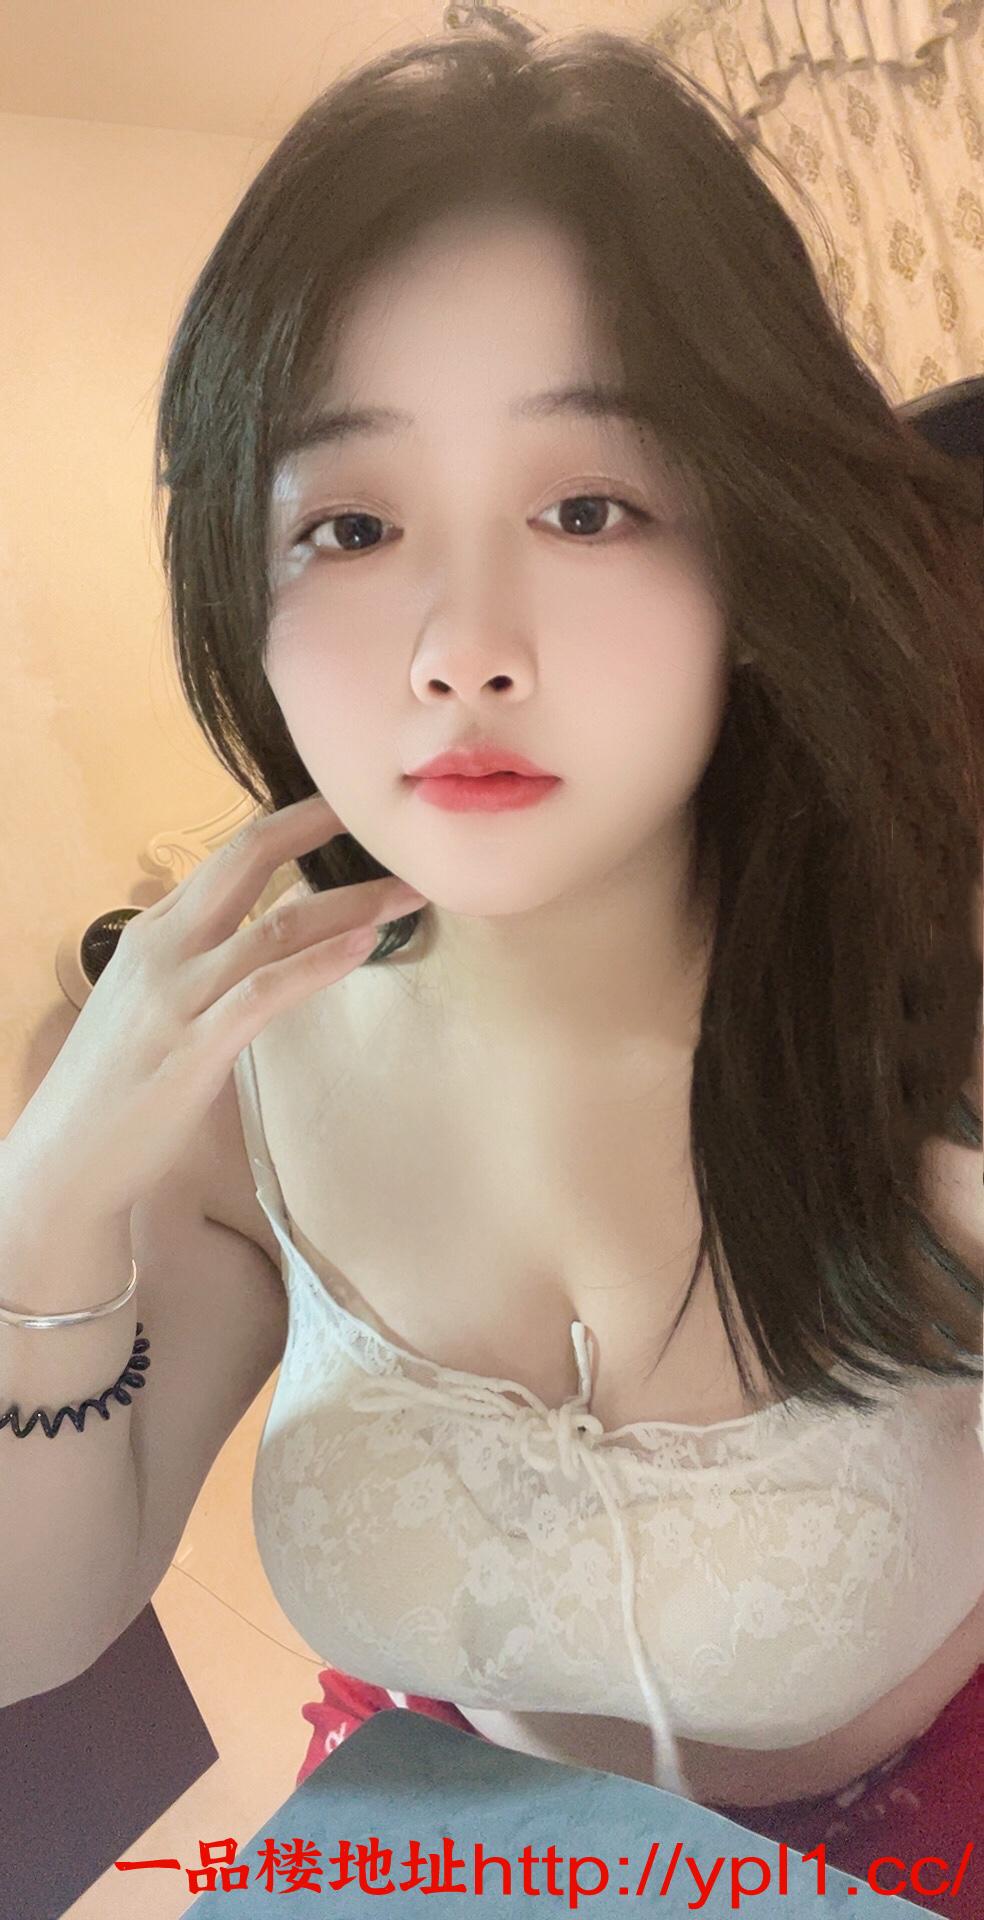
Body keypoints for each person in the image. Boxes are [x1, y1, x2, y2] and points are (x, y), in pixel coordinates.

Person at [3, 22, 981, 1913]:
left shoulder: (934, 1015)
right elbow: (34, 1631)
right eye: (352, 526)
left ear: (757, 556)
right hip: (439, 1849)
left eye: (586, 506)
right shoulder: (232, 1080)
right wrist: (45, 1207)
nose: (462, 646)